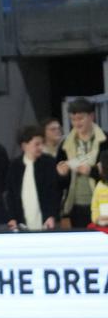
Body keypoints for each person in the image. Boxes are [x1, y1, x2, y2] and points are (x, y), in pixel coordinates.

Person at [56, 98, 106, 229]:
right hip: (75, 205)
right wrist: (62, 174)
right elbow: (59, 183)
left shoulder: (105, 141)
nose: (76, 123)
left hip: (102, 202)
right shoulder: (65, 144)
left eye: (80, 118)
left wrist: (91, 171)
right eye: (73, 119)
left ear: (91, 116)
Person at [6, 125, 60, 232]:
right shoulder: (14, 166)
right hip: (22, 222)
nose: (41, 147)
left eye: (42, 143)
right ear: (24, 146)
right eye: (37, 144)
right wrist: (12, 217)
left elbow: (54, 192)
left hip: (46, 220)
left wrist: (51, 215)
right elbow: (10, 195)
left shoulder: (48, 163)